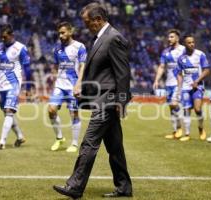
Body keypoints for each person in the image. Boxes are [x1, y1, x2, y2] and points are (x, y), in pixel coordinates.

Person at [53, 2, 132, 199]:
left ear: (98, 20)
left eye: (88, 22)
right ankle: (124, 187)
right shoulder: (100, 38)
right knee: (115, 147)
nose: (86, 26)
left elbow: (123, 75)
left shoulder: (114, 38)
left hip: (108, 101)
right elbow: (100, 72)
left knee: (89, 142)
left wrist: (121, 102)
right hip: (101, 99)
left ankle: (75, 186)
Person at [0, 24, 31, 150]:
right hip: (1, 85)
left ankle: (2, 142)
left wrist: (28, 87)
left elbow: (27, 69)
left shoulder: (21, 48)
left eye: (5, 37)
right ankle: (20, 136)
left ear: (11, 35)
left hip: (14, 84)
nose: (3, 40)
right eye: (1, 37)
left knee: (9, 111)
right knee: (6, 113)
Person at [48, 21, 86, 153]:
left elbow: (82, 66)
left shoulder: (79, 47)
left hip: (73, 85)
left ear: (70, 32)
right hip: (59, 85)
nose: (60, 35)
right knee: (51, 110)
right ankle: (59, 138)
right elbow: (55, 66)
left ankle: (75, 143)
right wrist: (54, 79)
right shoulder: (57, 49)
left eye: (63, 32)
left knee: (74, 114)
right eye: (59, 33)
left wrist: (79, 83)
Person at [177, 35, 210, 141]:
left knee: (197, 109)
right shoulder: (181, 58)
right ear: (184, 44)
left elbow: (207, 70)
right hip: (186, 88)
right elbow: (179, 74)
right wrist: (179, 87)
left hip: (198, 86)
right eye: (189, 42)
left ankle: (201, 128)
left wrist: (197, 81)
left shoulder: (200, 54)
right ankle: (187, 134)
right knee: (186, 110)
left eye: (193, 42)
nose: (192, 44)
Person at [153, 29, 185, 139]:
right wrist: (156, 80)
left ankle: (180, 129)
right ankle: (175, 131)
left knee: (175, 104)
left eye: (171, 37)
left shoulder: (183, 50)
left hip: (179, 82)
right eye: (169, 37)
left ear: (177, 38)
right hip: (169, 83)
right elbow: (162, 66)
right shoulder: (166, 51)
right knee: (171, 108)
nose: (169, 39)